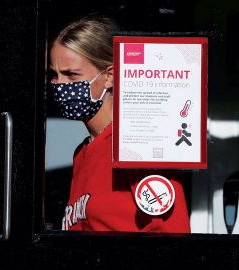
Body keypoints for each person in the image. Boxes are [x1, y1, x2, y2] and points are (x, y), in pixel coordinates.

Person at [48, 16, 190, 232]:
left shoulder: (136, 145)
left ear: (109, 77)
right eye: (54, 75)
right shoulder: (82, 153)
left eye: (71, 75)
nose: (60, 85)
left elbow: (171, 236)